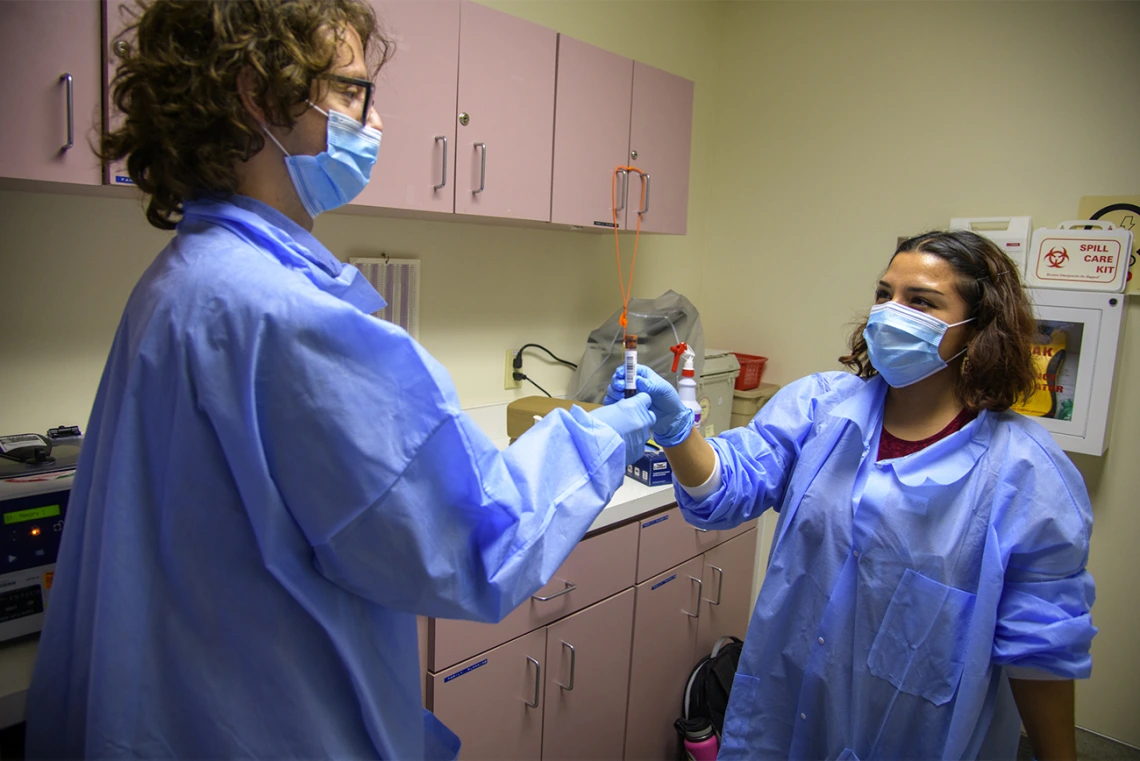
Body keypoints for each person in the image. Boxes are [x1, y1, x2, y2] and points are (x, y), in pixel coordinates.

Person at [25, 1, 655, 758]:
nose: (376, 122)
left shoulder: (179, 284)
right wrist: (604, 431)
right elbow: (476, 542)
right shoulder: (288, 317)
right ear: (261, 95)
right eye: (353, 92)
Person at [608, 230, 1095, 761]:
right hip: (784, 707)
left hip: (910, 733)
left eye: (921, 302)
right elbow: (726, 489)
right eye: (885, 294)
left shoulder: (1026, 474)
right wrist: (679, 432)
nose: (890, 313)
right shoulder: (821, 407)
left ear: (977, 329)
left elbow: (1041, 650)